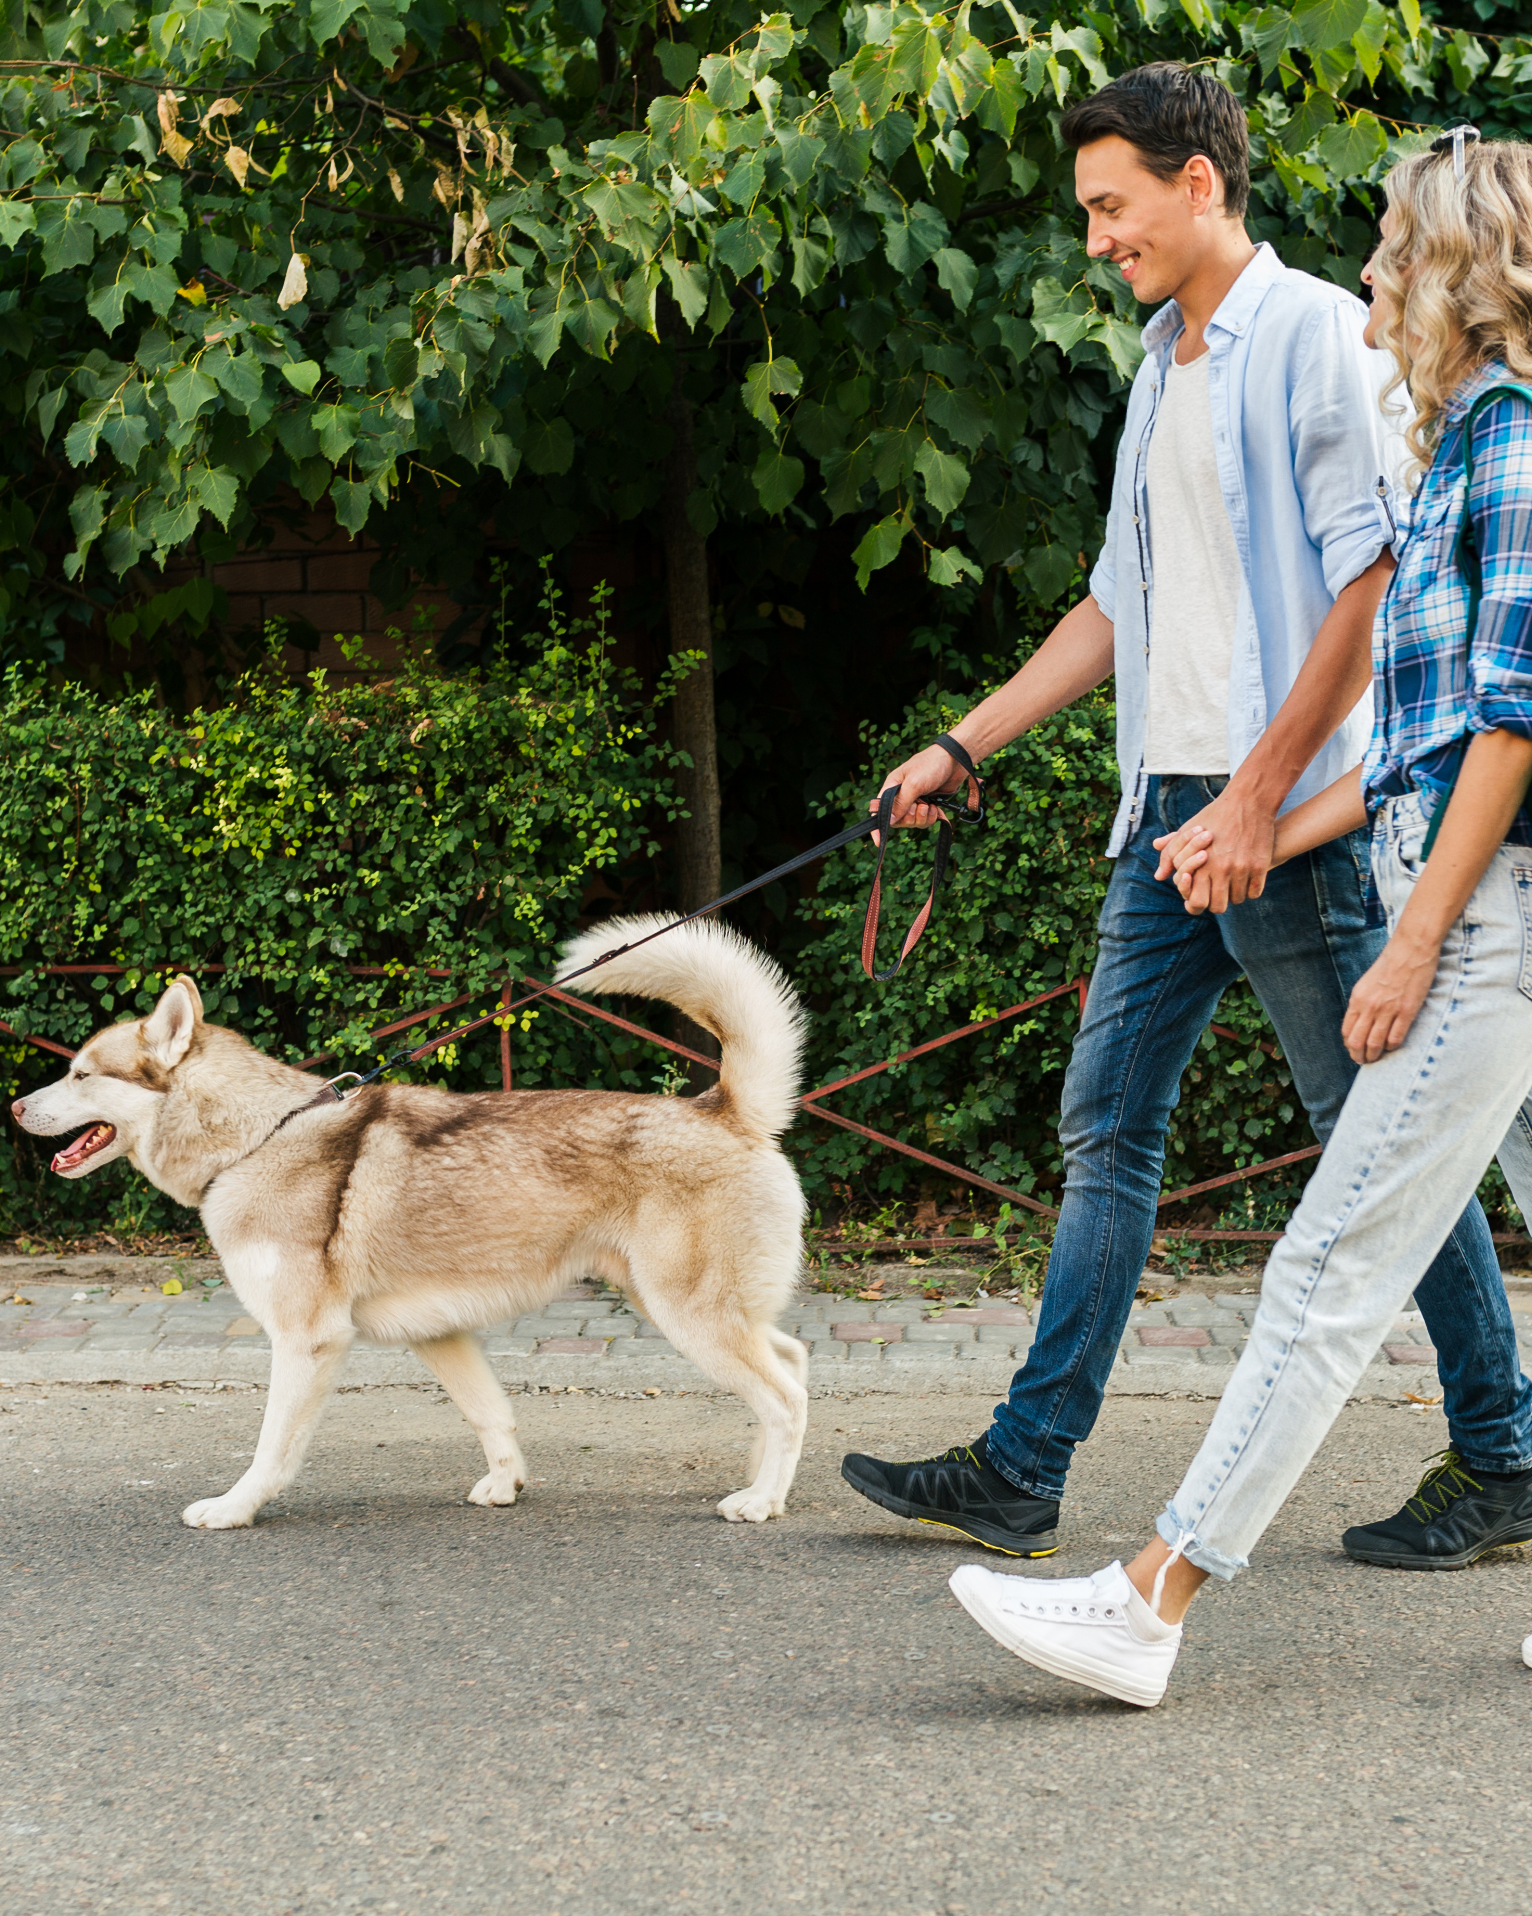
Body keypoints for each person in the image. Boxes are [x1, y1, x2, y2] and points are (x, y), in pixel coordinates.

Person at [840, 63, 1532, 1571]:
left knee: (1371, 1136)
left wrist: (1259, 799)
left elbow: (1371, 583)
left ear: (1198, 184)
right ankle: (1027, 1467)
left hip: (1286, 821)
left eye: (1111, 205)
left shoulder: (1310, 340)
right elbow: (1116, 601)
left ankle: (1503, 1447)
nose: (1095, 239)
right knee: (1107, 1126)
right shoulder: (1164, 361)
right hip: (1168, 816)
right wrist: (965, 739)